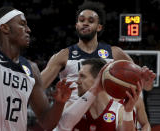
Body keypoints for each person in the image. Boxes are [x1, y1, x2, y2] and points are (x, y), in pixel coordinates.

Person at [41, 1, 156, 130]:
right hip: (74, 116)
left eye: (91, 21)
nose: (85, 23)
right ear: (76, 25)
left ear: (99, 27)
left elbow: (144, 86)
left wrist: (146, 81)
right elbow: (37, 87)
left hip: (108, 114)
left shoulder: (115, 53)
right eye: (81, 20)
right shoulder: (63, 55)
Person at [0, 0, 73, 131]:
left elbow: (47, 122)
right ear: (5, 27)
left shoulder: (31, 69)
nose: (29, 29)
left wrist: (59, 103)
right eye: (23, 24)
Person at [54, 58, 151, 131]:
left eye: (82, 76)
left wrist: (128, 111)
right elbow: (62, 126)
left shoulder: (120, 112)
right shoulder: (71, 107)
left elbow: (144, 124)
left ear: (99, 79)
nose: (77, 81)